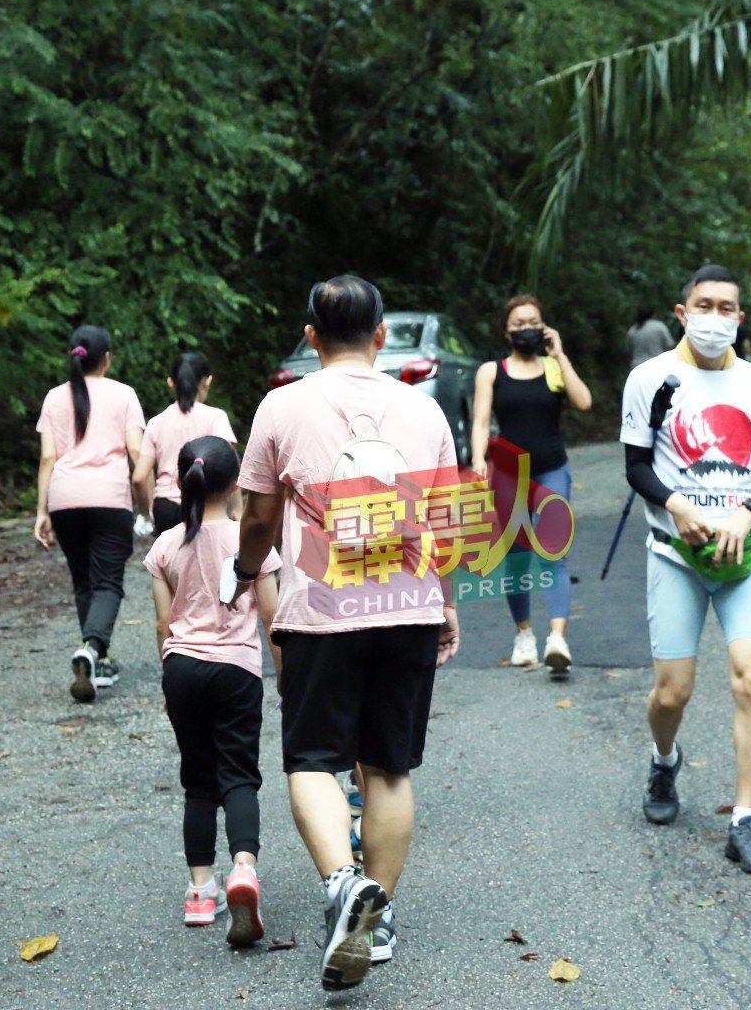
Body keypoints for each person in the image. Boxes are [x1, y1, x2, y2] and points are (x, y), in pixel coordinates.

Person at [234, 275, 460, 990]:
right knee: (388, 766)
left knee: (312, 759)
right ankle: (379, 915)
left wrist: (246, 570)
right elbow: (446, 523)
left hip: (321, 612)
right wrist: (444, 605)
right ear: (382, 333)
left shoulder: (282, 405)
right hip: (409, 608)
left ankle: (341, 885)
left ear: (311, 337)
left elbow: (260, 519)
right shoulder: (423, 409)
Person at [624, 265, 751, 875]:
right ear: (682, 312)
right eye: (703, 304)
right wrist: (675, 504)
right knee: (672, 692)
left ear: (739, 317)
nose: (714, 316)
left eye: (726, 307)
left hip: (743, 557)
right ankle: (663, 758)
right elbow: (635, 468)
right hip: (674, 554)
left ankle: (745, 820)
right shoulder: (650, 380)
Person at [145, 436, 281, 943]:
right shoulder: (252, 545)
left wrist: (169, 677)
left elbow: (164, 625)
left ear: (184, 483)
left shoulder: (165, 545)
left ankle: (200, 891)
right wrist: (286, 675)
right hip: (236, 671)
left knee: (198, 779)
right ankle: (243, 868)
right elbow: (272, 618)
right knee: (239, 774)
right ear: (237, 485)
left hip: (182, 668)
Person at [471, 294, 593, 676]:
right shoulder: (492, 371)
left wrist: (561, 355)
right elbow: (480, 421)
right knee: (518, 556)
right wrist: (478, 462)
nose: (527, 329)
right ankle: (524, 635)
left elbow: (584, 402)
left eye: (534, 323)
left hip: (552, 469)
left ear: (544, 328)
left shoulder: (553, 368)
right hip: (509, 474)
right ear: (506, 331)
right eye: (519, 324)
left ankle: (558, 639)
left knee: (553, 551)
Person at [34, 324, 146, 703]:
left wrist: (42, 511)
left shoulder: (53, 398)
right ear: (107, 359)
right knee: (108, 583)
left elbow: (48, 457)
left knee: (84, 582)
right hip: (109, 499)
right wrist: (148, 497)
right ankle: (93, 648)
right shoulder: (124, 395)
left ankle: (98, 659)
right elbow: (136, 454)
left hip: (64, 498)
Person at [135, 351, 239, 535]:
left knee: (169, 561)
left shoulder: (156, 422)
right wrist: (237, 510)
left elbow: (139, 478)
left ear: (170, 382)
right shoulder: (215, 417)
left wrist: (147, 513)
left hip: (165, 509)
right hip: (207, 507)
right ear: (207, 381)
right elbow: (229, 467)